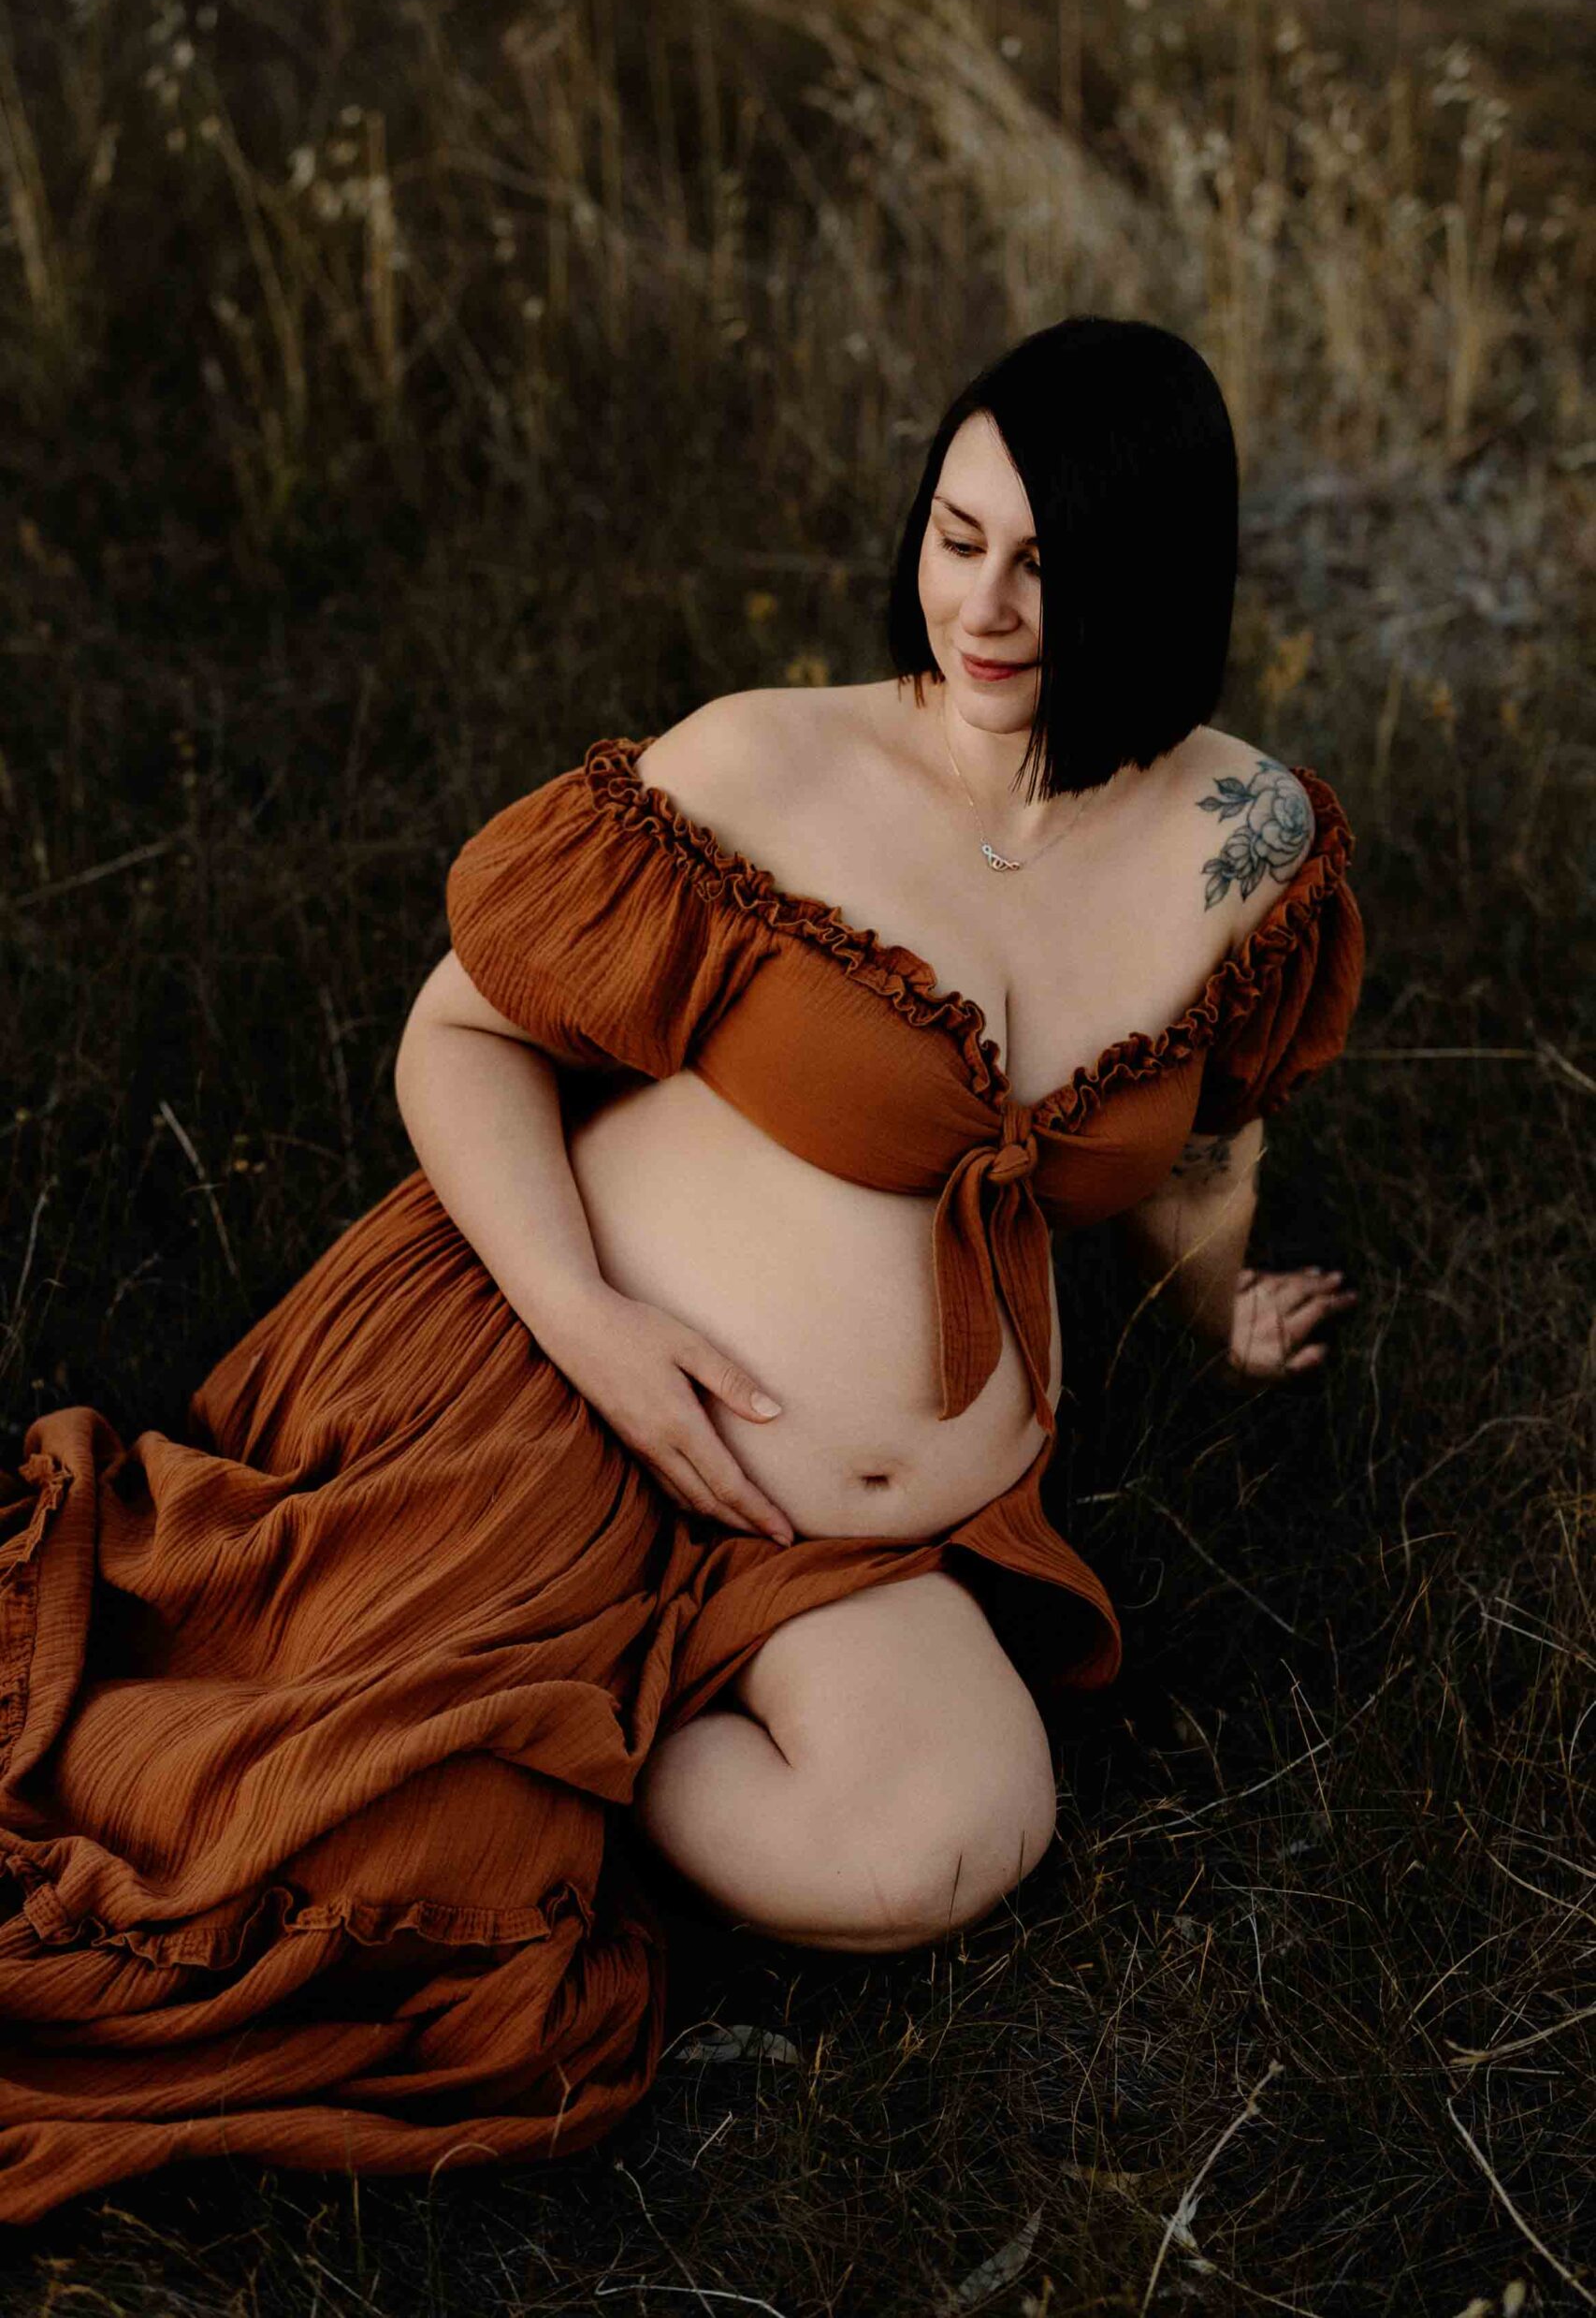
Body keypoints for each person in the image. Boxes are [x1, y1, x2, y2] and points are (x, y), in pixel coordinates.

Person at [0, 315, 1364, 2222]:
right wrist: (596, 1327)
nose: (982, 606)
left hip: (830, 1538)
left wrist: (1216, 1303)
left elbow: (1197, 1117)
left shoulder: (1244, 837)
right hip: (551, 1369)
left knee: (946, 1839)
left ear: (1161, 570)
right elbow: (458, 1034)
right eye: (956, 535)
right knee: (301, 1854)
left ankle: (581, 1739)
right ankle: (511, 1747)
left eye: (1046, 562)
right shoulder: (762, 765)